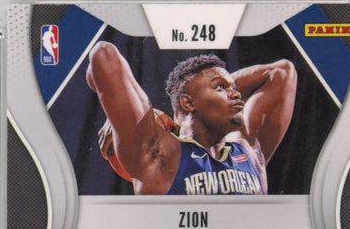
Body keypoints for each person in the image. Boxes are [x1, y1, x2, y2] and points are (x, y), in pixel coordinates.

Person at [86, 42, 297, 195]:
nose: (236, 94)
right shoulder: (159, 155)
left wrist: (219, 87)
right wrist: (119, 118)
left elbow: (282, 72)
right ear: (188, 103)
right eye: (221, 87)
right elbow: (103, 55)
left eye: (234, 87)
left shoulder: (249, 151)